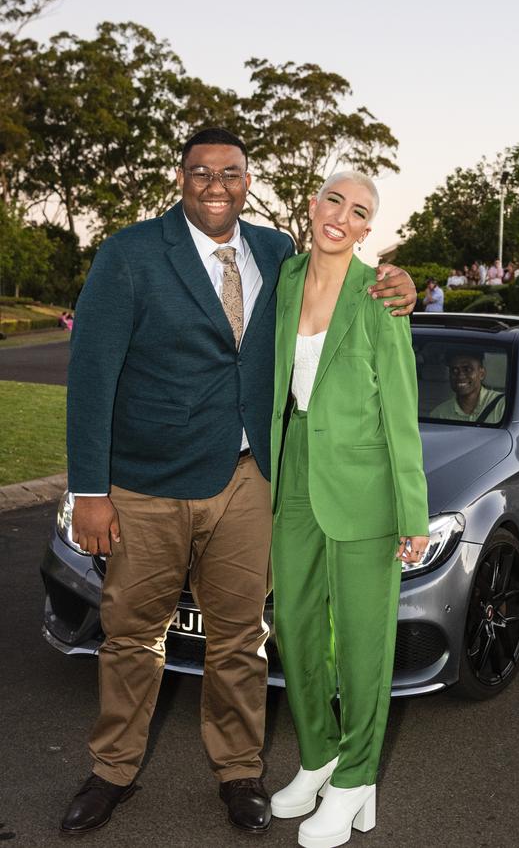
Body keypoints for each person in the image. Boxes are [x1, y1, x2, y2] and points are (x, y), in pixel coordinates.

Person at [59, 128, 417, 837]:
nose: (215, 184)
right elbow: (91, 376)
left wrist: (396, 281)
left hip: (251, 479)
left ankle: (238, 770)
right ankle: (112, 770)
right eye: (200, 171)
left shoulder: (274, 252)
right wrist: (90, 489)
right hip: (149, 484)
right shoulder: (129, 254)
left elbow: (344, 286)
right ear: (181, 177)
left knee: (242, 638)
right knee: (132, 635)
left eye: (230, 172)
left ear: (249, 181)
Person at [268, 172, 429, 848]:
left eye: (358, 210)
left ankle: (358, 774)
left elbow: (401, 407)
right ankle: (320, 754)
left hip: (365, 482)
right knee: (297, 625)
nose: (342, 215)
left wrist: (413, 513)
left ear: (368, 229)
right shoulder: (283, 278)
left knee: (364, 639)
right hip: (294, 466)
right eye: (334, 199)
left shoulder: (379, 297)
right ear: (312, 204)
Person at [431, 351, 506, 424]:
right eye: (454, 370)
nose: (460, 376)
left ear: (482, 374)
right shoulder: (439, 414)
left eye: (467, 370)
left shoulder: (502, 406)